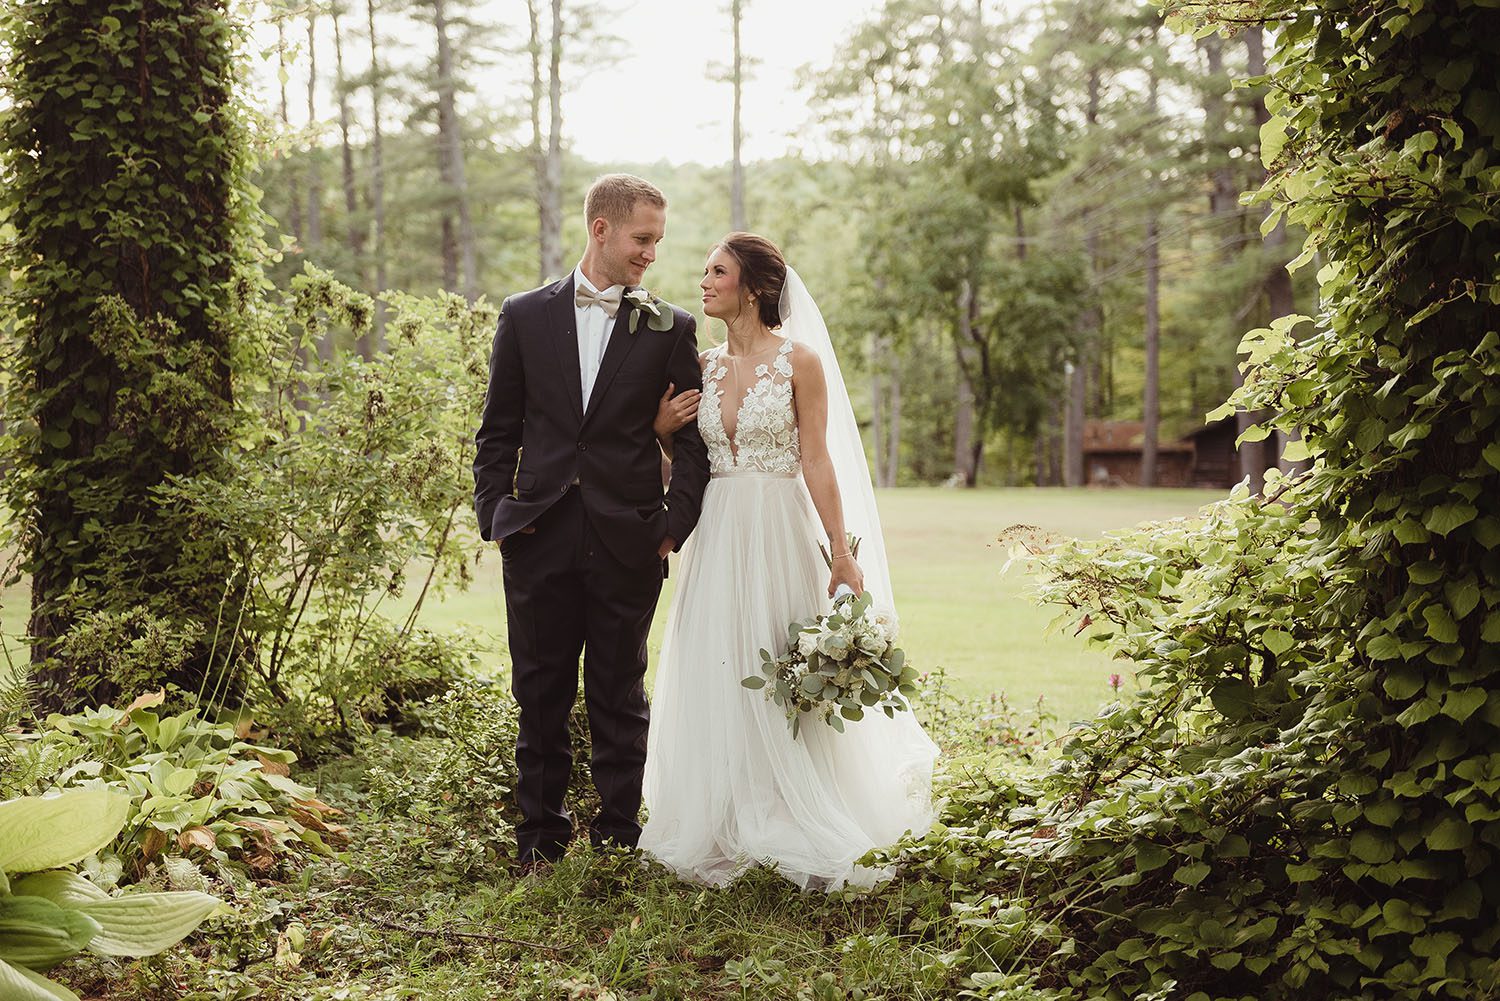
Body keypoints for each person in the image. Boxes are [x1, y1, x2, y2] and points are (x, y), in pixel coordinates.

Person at [640, 232, 937, 890]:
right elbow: (687, 470)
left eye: (717, 271)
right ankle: (723, 814)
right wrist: (662, 436)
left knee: (778, 661)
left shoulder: (800, 360)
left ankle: (794, 806)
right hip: (717, 534)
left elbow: (817, 459)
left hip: (781, 528)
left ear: (753, 287)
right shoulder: (700, 365)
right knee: (721, 663)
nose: (704, 280)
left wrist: (840, 550)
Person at [473, 174, 710, 870]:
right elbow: (498, 432)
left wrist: (673, 525)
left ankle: (614, 844)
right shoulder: (524, 315)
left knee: (619, 696)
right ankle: (539, 845)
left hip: (628, 540)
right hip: (538, 536)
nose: (652, 255)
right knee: (538, 696)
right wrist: (498, 517)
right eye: (643, 239)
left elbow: (693, 443)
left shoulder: (672, 327)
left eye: (658, 241)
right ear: (601, 229)